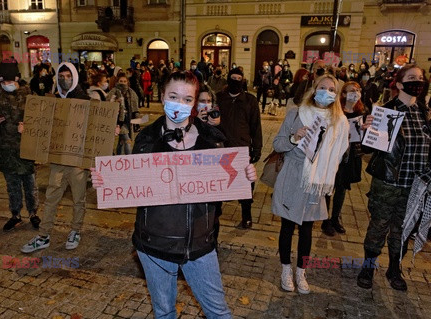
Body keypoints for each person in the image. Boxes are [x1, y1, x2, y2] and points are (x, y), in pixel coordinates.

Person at [91, 71, 257, 318]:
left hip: (199, 246)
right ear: (162, 96)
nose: (179, 104)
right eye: (173, 96)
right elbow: (135, 184)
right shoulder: (146, 138)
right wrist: (108, 180)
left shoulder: (212, 139)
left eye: (187, 99)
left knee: (219, 312)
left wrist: (243, 175)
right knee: (164, 311)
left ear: (194, 103)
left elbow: (220, 187)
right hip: (155, 246)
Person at [272, 74, 349, 294]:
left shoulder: (339, 121)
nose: (327, 91)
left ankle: (301, 272)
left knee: (307, 229)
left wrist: (362, 130)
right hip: (293, 176)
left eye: (332, 89)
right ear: (314, 90)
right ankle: (286, 270)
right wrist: (294, 138)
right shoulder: (296, 113)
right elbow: (278, 144)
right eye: (322, 87)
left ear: (336, 94)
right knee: (287, 226)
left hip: (316, 182)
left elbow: (342, 153)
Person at [357, 65, 430, 291]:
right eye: (411, 78)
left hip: (415, 185)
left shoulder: (424, 112)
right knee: (378, 227)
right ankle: (368, 267)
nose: (416, 82)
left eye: (420, 78)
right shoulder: (387, 111)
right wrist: (366, 130)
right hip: (389, 181)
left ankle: (394, 269)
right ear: (399, 84)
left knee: (403, 229)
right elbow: (369, 148)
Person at [21, 62, 90, 253]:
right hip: (58, 160)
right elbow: (43, 126)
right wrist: (28, 129)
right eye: (61, 77)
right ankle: (44, 235)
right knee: (51, 198)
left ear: (75, 77)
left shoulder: (85, 100)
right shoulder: (53, 100)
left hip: (78, 162)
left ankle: (75, 230)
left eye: (69, 76)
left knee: (79, 199)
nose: (65, 80)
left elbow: (95, 130)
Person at [0, 62, 40, 231]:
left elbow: (41, 121)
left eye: (9, 81)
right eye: (3, 82)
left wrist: (28, 127)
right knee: (12, 185)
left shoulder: (30, 95)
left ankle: (33, 213)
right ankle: (15, 214)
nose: (6, 85)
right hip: (6, 149)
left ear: (17, 78)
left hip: (26, 149)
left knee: (30, 184)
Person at [321, 82, 373, 236]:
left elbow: (366, 141)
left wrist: (365, 130)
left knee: (342, 188)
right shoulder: (336, 111)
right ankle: (325, 219)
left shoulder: (362, 111)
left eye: (358, 90)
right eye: (351, 91)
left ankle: (335, 218)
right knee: (330, 187)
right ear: (343, 94)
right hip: (335, 154)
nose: (355, 93)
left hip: (351, 156)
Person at [216, 67, 262, 228]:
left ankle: (246, 215)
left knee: (245, 184)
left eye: (238, 78)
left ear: (243, 81)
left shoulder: (250, 100)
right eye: (233, 78)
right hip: (221, 148)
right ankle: (216, 212)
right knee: (220, 181)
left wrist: (257, 148)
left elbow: (256, 126)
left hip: (242, 148)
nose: (235, 81)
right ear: (228, 79)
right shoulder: (219, 98)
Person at [109, 74, 139, 155]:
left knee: (121, 142)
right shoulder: (113, 92)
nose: (123, 83)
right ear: (117, 82)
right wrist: (115, 103)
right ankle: (129, 159)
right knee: (127, 140)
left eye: (125, 81)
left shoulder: (131, 92)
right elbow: (108, 104)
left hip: (128, 120)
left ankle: (118, 158)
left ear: (127, 82)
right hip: (117, 121)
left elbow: (135, 106)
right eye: (121, 81)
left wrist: (136, 117)